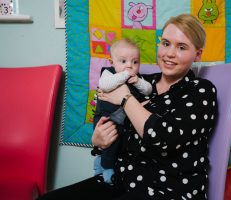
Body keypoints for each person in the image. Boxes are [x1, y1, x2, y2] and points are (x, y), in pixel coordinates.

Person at [37, 13, 218, 200]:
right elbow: (114, 118)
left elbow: (162, 139)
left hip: (167, 190)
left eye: (181, 47)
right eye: (165, 43)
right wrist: (99, 141)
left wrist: (126, 98)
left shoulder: (201, 91)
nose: (169, 53)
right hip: (121, 180)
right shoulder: (142, 82)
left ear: (197, 54)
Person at [91, 38, 152, 184]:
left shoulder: (137, 78)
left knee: (122, 143)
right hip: (107, 118)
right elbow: (104, 85)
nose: (129, 66)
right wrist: (123, 75)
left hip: (125, 120)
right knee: (112, 141)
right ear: (112, 62)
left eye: (135, 62)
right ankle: (107, 168)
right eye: (123, 61)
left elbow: (149, 90)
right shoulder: (108, 74)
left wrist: (138, 82)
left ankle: (100, 162)